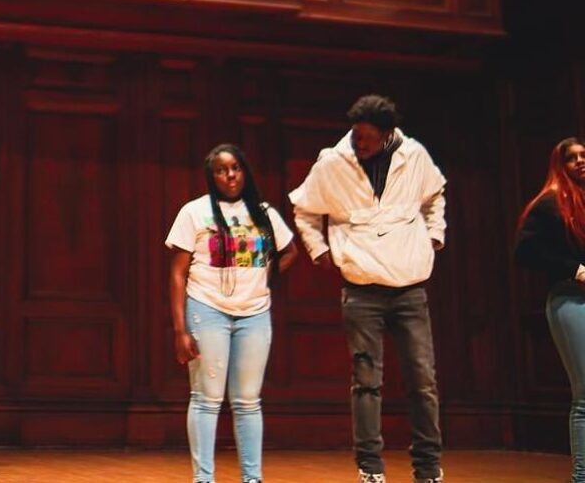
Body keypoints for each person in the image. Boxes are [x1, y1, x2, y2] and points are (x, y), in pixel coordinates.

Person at [289, 94, 446, 483]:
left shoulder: (414, 156)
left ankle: (427, 468)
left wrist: (434, 237)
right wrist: (318, 249)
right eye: (357, 135)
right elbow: (305, 210)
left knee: (422, 379)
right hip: (361, 290)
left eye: (369, 138)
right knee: (366, 381)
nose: (360, 143)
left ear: (388, 135)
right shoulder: (333, 162)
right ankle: (370, 468)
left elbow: (434, 196)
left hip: (409, 287)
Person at [167, 144, 296, 483]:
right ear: (212, 177)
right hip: (207, 308)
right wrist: (180, 330)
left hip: (254, 314)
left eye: (235, 168)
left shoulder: (263, 212)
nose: (230, 175)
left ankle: (252, 478)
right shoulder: (194, 212)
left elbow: (290, 250)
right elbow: (178, 273)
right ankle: (204, 478)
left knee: (248, 401)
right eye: (221, 170)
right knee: (207, 398)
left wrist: (264, 277)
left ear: (244, 170)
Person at [515, 137, 585, 483]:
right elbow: (525, 251)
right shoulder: (550, 204)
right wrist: (574, 270)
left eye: (584, 155)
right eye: (572, 158)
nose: (581, 161)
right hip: (571, 299)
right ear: (560, 165)